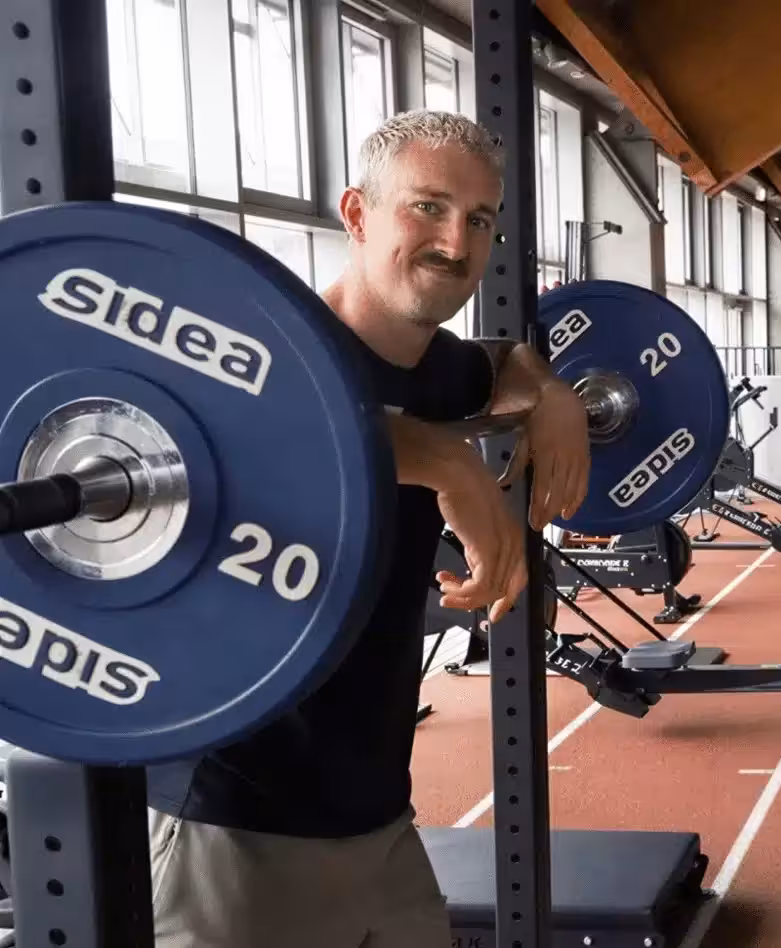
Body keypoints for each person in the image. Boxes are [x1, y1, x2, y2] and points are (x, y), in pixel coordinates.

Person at [145, 110, 588, 947]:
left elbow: (496, 359)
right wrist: (440, 460)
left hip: (378, 820)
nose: (457, 243)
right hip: (230, 824)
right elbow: (261, 421)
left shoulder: (445, 373)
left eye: (480, 218)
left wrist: (547, 387)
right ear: (355, 214)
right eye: (427, 207)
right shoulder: (261, 351)